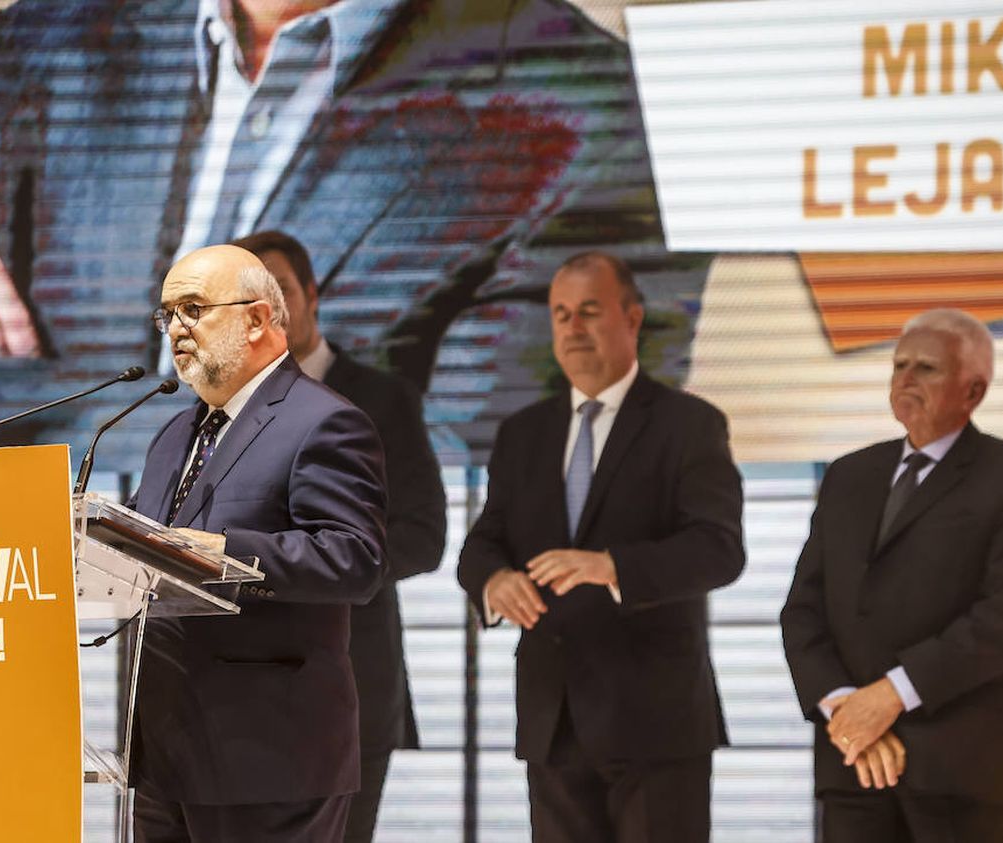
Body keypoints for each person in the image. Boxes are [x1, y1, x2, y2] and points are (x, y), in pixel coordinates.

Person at [0, 0, 712, 475]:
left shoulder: (596, 113)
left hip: (289, 691)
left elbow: (441, 474)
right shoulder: (43, 43)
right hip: (14, 645)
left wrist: (12, 407)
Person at [456, 251, 744, 842]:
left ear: (633, 318)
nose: (573, 328)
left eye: (590, 311)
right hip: (552, 718)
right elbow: (483, 543)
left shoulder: (689, 425)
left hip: (656, 723)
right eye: (561, 314)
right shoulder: (522, 435)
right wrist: (493, 581)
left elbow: (719, 548)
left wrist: (613, 566)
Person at [126, 244, 386, 841]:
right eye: (168, 314)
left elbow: (356, 559)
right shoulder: (172, 435)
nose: (176, 329)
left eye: (193, 308)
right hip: (165, 756)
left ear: (258, 318)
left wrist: (226, 553)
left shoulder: (322, 421)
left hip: (270, 760)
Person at [779, 308, 1003, 842]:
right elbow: (802, 610)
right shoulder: (849, 475)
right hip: (854, 761)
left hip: (959, 769)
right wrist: (846, 709)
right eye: (898, 365)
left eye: (925, 368)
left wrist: (888, 697)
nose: (905, 378)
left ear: (972, 391)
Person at [231, 229, 447, 842]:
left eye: (278, 293)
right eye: (247, 301)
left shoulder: (383, 399)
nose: (263, 313)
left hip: (351, 684)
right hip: (244, 696)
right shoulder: (226, 411)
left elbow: (424, 535)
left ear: (312, 293)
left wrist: (322, 569)